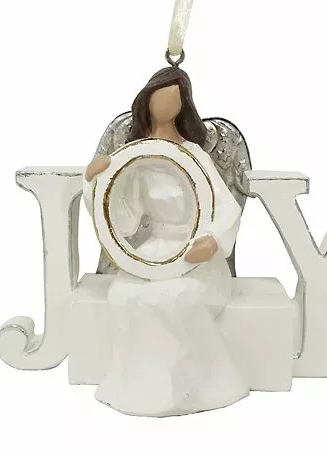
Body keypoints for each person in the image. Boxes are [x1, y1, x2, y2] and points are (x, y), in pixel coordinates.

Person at [84, 66, 249, 416]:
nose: (164, 106)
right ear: (147, 102)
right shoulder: (135, 157)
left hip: (194, 254)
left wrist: (213, 241)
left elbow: (227, 207)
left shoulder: (194, 155)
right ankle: (139, 389)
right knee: (124, 294)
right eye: (159, 98)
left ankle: (192, 388)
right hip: (155, 253)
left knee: (175, 297)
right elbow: (124, 218)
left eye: (173, 99)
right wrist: (95, 181)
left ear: (183, 106)